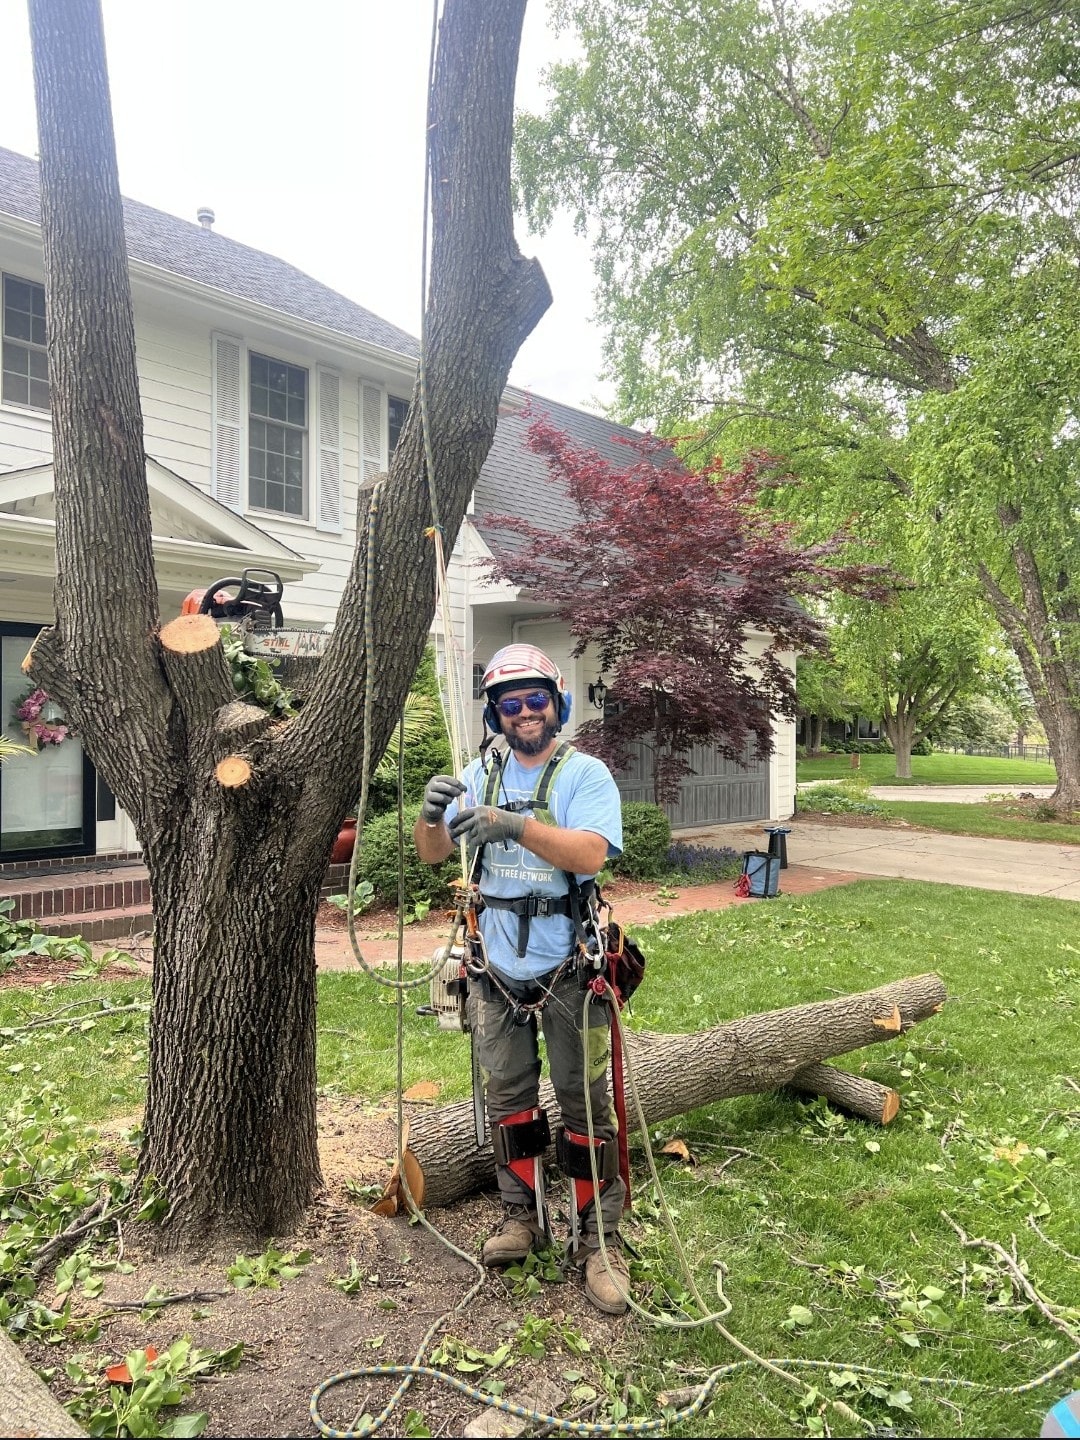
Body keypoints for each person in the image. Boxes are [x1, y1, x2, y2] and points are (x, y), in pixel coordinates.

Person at [414, 643, 630, 1315]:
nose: (526, 712)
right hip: (495, 966)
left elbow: (590, 852)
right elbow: (433, 854)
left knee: (583, 1099)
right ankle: (522, 1215)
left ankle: (597, 1240)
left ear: (557, 703)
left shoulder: (585, 774)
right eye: (511, 704)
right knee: (507, 1092)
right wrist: (431, 815)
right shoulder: (478, 773)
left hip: (570, 964)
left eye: (536, 700)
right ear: (496, 714)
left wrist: (516, 825)